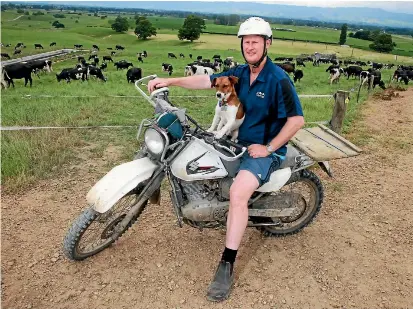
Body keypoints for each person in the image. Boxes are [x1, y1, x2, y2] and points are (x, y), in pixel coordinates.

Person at [148, 17, 304, 302]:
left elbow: (297, 120)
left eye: (256, 40)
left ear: (267, 44)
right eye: (246, 41)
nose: (251, 45)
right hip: (234, 140)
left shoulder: (279, 79)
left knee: (237, 193)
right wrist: (170, 80)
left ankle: (227, 264)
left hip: (261, 149)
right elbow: (205, 80)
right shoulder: (241, 73)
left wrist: (269, 148)